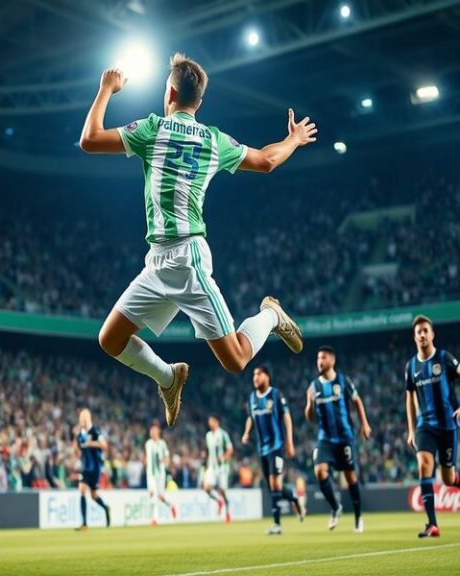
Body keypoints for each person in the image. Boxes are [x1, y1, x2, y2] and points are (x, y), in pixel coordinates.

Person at [79, 53, 317, 427]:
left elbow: (90, 139)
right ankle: (169, 377)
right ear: (199, 102)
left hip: (187, 261)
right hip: (159, 260)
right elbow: (266, 161)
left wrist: (106, 88)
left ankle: (271, 314)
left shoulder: (152, 129)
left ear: (170, 93)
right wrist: (293, 139)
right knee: (110, 339)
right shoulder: (213, 139)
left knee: (236, 359)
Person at [405, 315, 460, 538]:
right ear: (415, 337)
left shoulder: (444, 358)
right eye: (418, 332)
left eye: (425, 331)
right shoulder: (411, 366)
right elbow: (409, 398)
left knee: (448, 478)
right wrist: (411, 429)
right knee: (424, 464)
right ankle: (432, 524)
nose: (422, 334)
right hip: (425, 425)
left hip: (448, 425)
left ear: (432, 334)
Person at [305, 345, 371, 533]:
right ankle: (335, 507)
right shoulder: (314, 386)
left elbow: (357, 401)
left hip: (345, 437)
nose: (320, 361)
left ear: (332, 360)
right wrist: (309, 403)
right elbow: (310, 418)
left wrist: (365, 424)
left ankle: (358, 517)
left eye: (323, 357)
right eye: (318, 358)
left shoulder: (343, 381)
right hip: (325, 439)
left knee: (350, 477)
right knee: (319, 471)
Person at [242, 365, 303, 535]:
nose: (255, 377)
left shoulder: (276, 395)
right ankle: (294, 497)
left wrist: (289, 442)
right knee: (273, 487)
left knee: (275, 483)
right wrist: (246, 432)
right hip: (262, 449)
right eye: (254, 375)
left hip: (276, 446)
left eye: (258, 374)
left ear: (267, 376)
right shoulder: (253, 397)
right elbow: (250, 417)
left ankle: (277, 525)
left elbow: (287, 417)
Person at [75, 409, 111, 530]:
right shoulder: (80, 435)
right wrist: (76, 452)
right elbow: (78, 450)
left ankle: (105, 508)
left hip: (95, 468)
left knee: (93, 495)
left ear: (88, 418)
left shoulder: (95, 432)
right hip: (85, 467)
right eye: (81, 418)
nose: (82, 421)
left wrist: (91, 443)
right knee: (82, 490)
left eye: (84, 418)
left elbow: (104, 445)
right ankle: (84, 523)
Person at [145, 421, 178, 525]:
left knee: (159, 496)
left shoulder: (162, 444)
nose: (152, 432)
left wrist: (164, 460)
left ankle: (170, 506)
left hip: (160, 474)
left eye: (154, 430)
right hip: (151, 474)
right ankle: (156, 518)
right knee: (153, 494)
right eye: (151, 430)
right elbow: (147, 458)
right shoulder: (148, 444)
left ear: (158, 431)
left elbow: (167, 457)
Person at [203, 415, 234, 523]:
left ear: (217, 422)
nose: (209, 423)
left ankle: (227, 512)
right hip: (212, 467)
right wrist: (206, 463)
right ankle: (218, 501)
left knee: (223, 491)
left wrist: (224, 457)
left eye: (211, 421)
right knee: (206, 488)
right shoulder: (208, 435)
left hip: (222, 468)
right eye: (209, 421)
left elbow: (230, 449)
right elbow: (208, 451)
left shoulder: (223, 434)